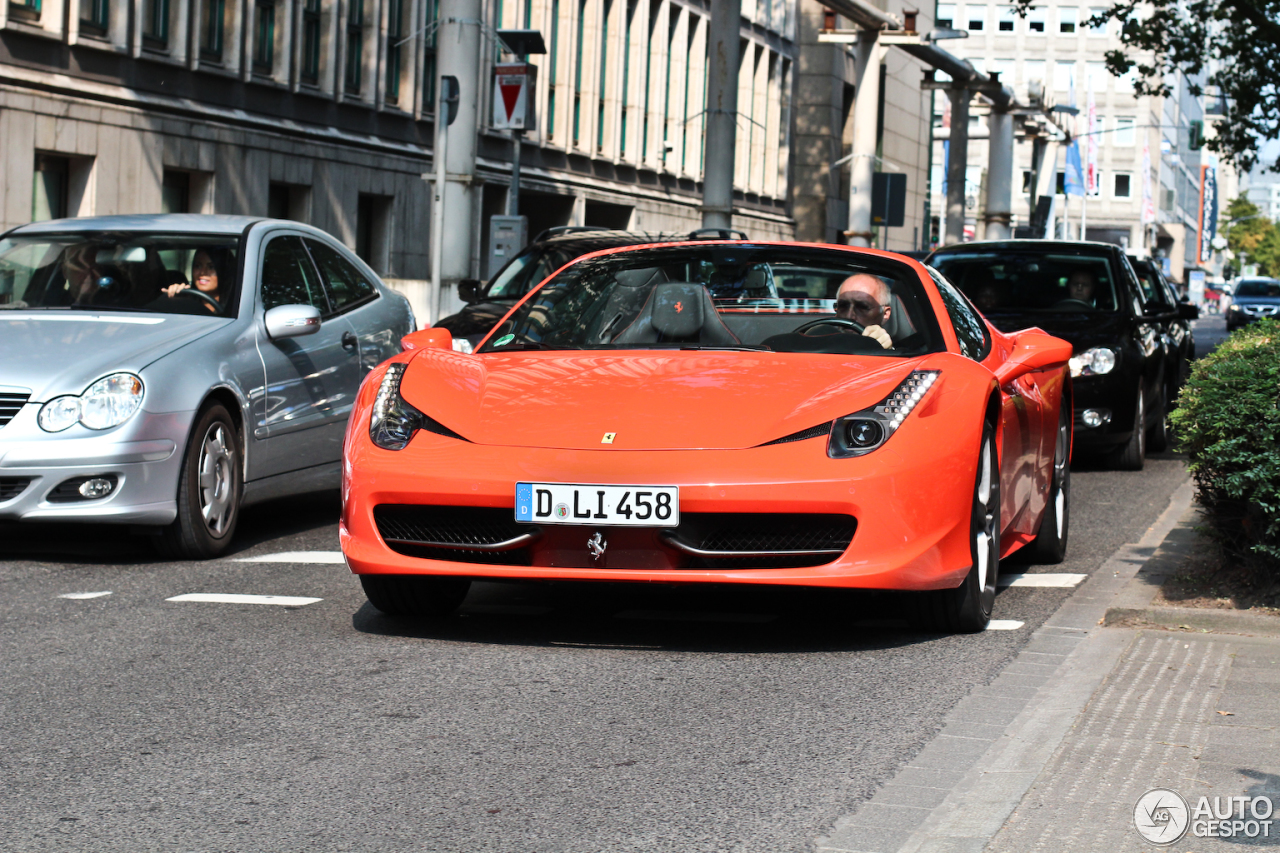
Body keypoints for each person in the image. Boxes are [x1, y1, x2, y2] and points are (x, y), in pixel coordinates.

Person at [833, 273, 893, 348]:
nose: (849, 316)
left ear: (885, 314)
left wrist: (886, 350)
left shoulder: (905, 355)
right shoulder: (822, 340)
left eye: (862, 307)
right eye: (843, 306)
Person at [162, 247, 229, 313]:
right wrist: (176, 298)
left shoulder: (236, 306)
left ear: (224, 271)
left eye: (211, 267)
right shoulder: (186, 301)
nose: (202, 272)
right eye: (198, 266)